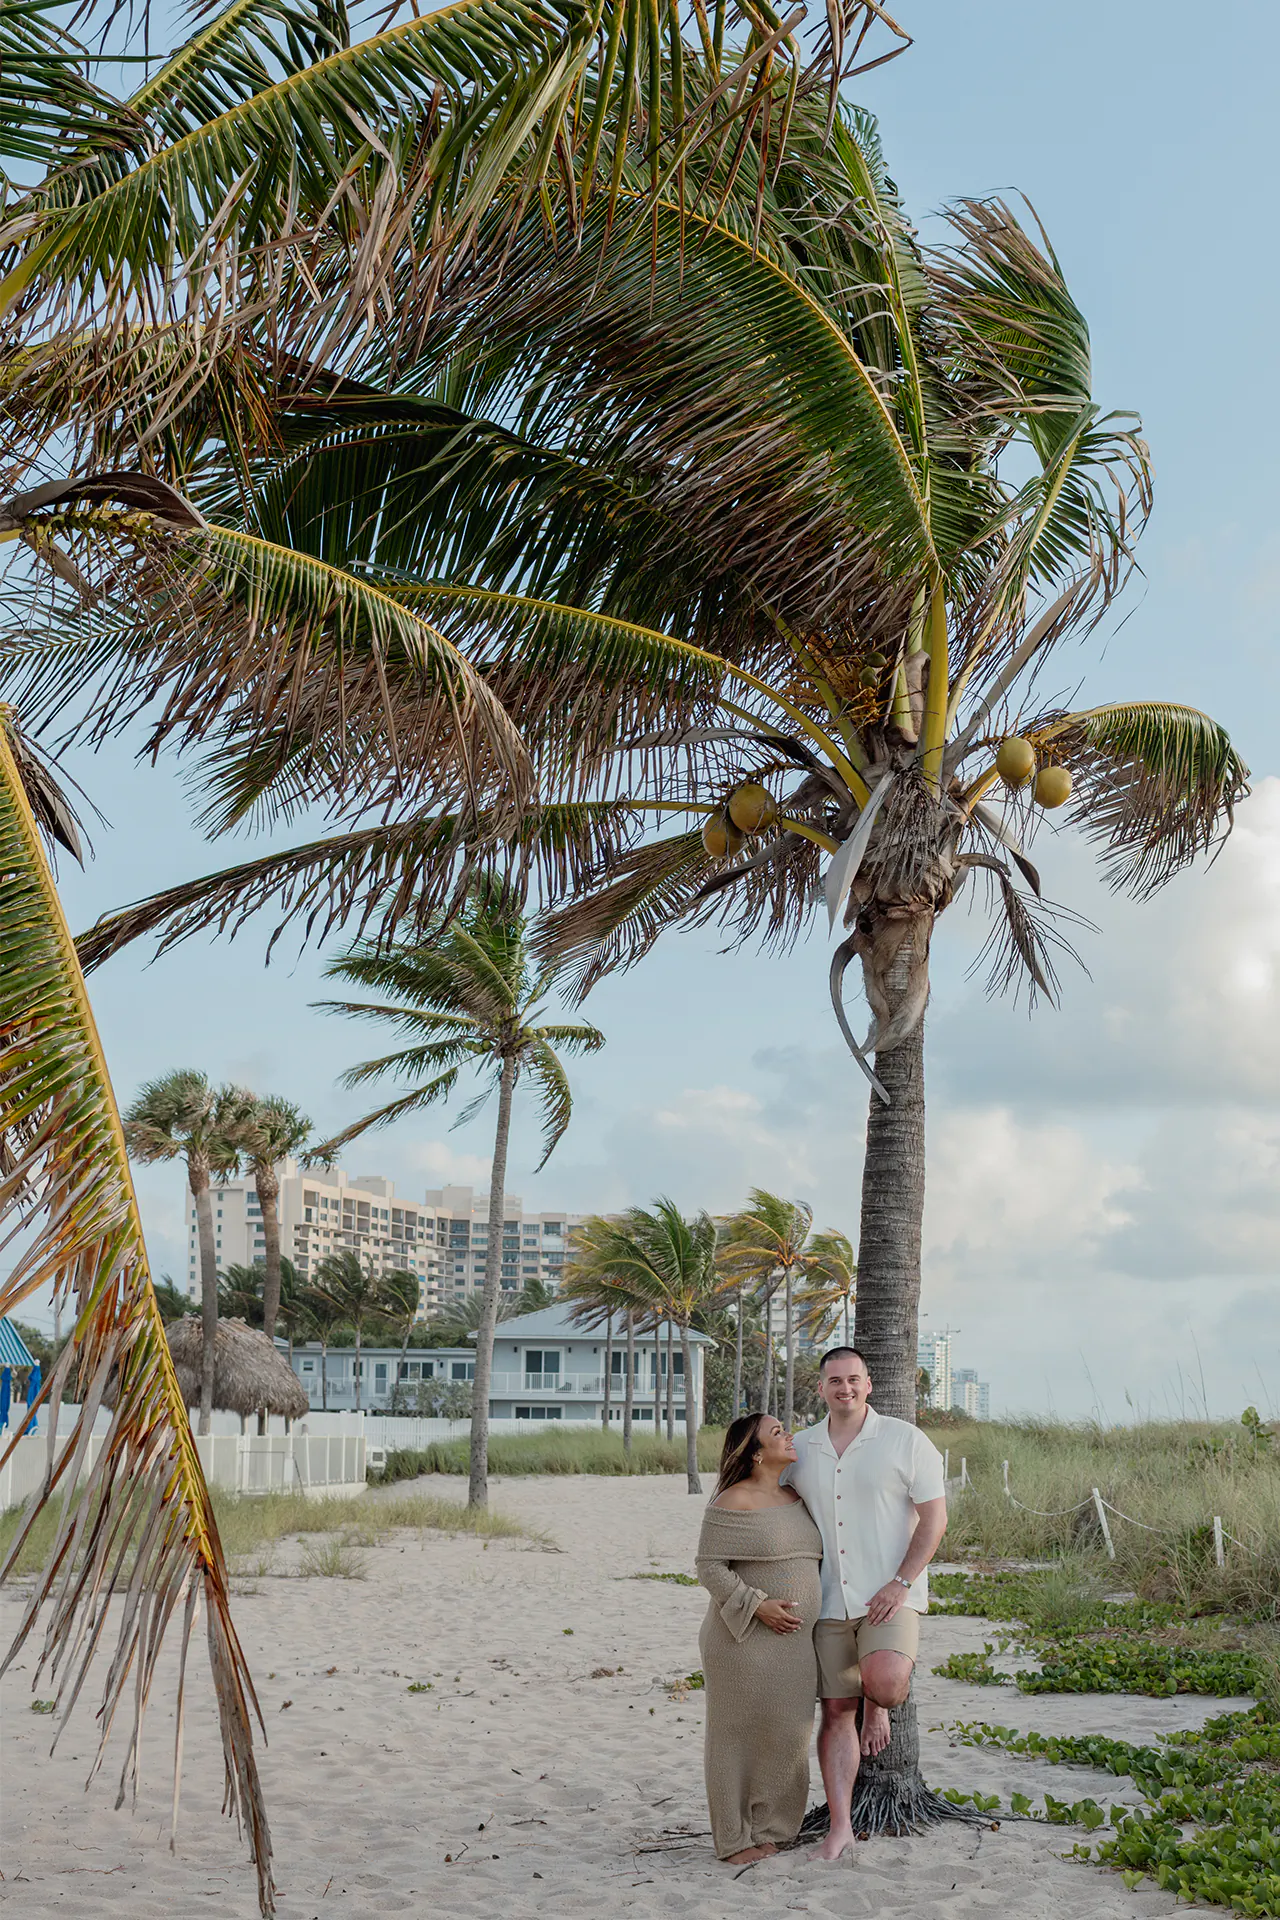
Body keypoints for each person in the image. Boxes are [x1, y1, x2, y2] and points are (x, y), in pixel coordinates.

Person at [783, 1346, 947, 1862]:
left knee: (886, 1683)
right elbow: (771, 1498)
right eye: (835, 1381)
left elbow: (934, 1520)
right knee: (835, 1712)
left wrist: (902, 1582)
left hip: (889, 1597)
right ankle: (840, 1828)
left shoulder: (906, 1441)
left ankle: (875, 1703)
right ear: (821, 1388)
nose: (845, 1389)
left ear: (869, 1384)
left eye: (854, 1379)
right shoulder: (803, 1448)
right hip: (829, 1599)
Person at [694, 1412, 823, 1864]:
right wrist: (759, 1606)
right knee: (735, 1738)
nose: (788, 1435)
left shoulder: (797, 1496)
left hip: (795, 1646)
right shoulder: (734, 1500)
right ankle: (733, 1840)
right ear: (755, 1453)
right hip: (743, 1641)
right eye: (776, 1432)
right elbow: (709, 1567)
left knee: (787, 1736)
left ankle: (772, 1829)